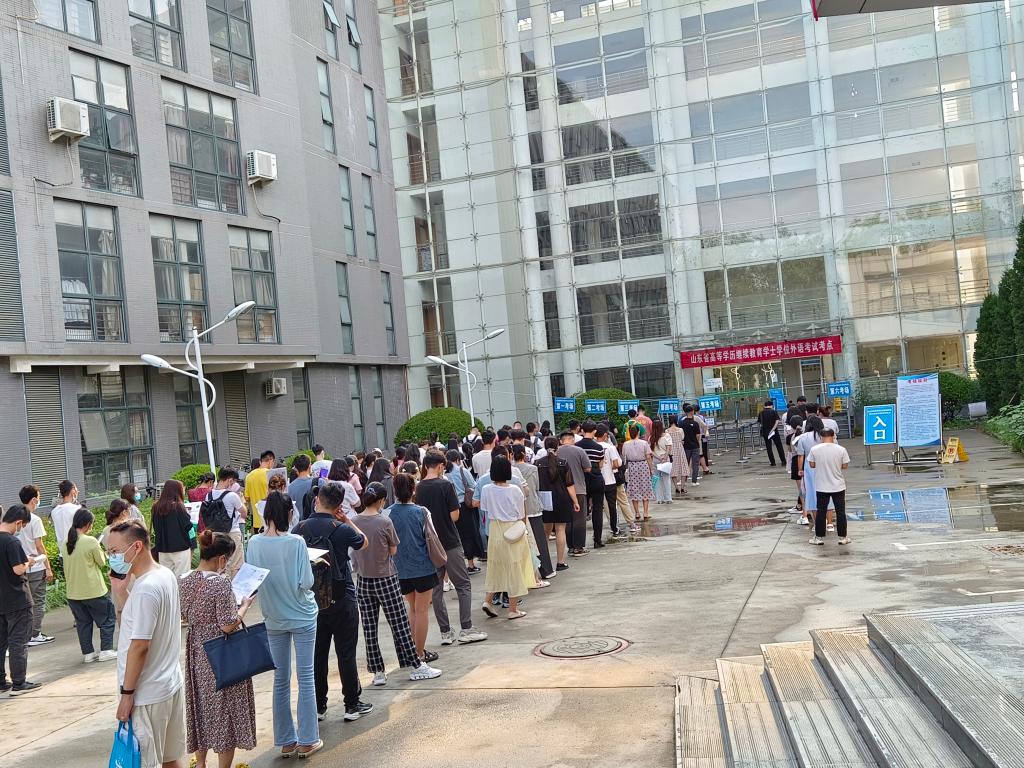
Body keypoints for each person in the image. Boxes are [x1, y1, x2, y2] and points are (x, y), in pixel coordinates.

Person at [245, 491, 322, 758]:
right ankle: (308, 739)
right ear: (289, 513)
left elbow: (253, 581)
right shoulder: (296, 542)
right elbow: (306, 582)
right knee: (306, 677)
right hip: (302, 615)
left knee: (280, 679)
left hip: (273, 617)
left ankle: (287, 740)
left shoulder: (254, 543)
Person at [292, 482, 372, 723]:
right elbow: (363, 542)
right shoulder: (342, 529)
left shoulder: (299, 528)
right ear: (339, 506)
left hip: (311, 600)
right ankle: (351, 704)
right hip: (342, 596)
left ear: (317, 500)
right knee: (346, 652)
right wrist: (346, 520)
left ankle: (319, 705)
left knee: (318, 654)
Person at [109, 519, 185, 768]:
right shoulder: (164, 575)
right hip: (168, 683)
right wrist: (122, 593)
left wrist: (127, 695)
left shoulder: (145, 589)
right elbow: (132, 628)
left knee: (145, 762)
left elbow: (139, 646)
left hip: (146, 694)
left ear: (137, 547)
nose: (112, 558)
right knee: (171, 759)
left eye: (115, 551)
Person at [180, 531, 256, 768]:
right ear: (222, 558)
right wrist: (244, 606)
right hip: (221, 650)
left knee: (201, 706)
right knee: (225, 709)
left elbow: (184, 614)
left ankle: (200, 763)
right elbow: (227, 624)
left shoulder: (183, 579)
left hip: (196, 648)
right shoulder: (221, 584)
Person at [354, 482, 442, 683]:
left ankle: (378, 672)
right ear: (381, 500)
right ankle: (416, 662)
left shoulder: (358, 520)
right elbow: (393, 549)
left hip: (364, 579)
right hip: (388, 576)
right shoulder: (386, 520)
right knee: (401, 623)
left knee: (369, 627)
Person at [417, 451, 488, 646]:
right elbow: (455, 515)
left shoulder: (419, 488)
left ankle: (445, 632)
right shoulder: (445, 485)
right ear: (441, 466)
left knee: (437, 589)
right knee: (463, 584)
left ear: (425, 466)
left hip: (430, 544)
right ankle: (466, 628)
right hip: (449, 541)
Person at [381, 473, 438, 660]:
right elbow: (432, 537)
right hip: (422, 566)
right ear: (413, 489)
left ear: (394, 490)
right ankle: (419, 654)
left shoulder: (387, 513)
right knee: (422, 611)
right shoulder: (422, 512)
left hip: (399, 568)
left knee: (412, 609)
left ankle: (412, 652)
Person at [479, 457, 531, 620]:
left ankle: (488, 601)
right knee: (514, 568)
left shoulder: (486, 489)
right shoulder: (515, 489)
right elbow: (521, 514)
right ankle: (513, 609)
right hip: (512, 529)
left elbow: (485, 509)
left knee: (496, 567)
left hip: (494, 529)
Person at [62, 507, 117, 663]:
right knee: (107, 619)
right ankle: (106, 650)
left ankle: (88, 653)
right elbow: (102, 562)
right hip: (94, 590)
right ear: (87, 524)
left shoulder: (66, 542)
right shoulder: (91, 541)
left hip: (73, 592)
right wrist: (105, 552)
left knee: (83, 624)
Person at [0, 504, 41, 694]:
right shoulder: (11, 542)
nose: (21, 529)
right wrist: (29, 562)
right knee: (18, 641)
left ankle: (1, 681)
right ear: (18, 522)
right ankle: (19, 683)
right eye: (22, 525)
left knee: (1, 642)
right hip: (17, 599)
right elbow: (18, 569)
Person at [16, 486, 54, 646]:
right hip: (36, 566)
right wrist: (48, 567)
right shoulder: (35, 519)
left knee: (25, 603)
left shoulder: (14, 517)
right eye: (38, 497)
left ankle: (25, 634)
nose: (39, 500)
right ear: (33, 500)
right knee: (38, 601)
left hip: (19, 566)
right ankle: (34, 634)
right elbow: (39, 546)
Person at [537, 437, 579, 571]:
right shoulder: (563, 463)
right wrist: (575, 501)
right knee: (560, 530)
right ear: (557, 447)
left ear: (544, 447)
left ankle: (544, 562)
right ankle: (560, 562)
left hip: (544, 499)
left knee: (545, 531)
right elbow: (569, 484)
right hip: (562, 499)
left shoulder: (538, 463)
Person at [514, 445, 554, 578]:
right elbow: (537, 487)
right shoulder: (532, 469)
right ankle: (546, 570)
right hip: (533, 507)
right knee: (539, 541)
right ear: (523, 454)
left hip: (518, 510)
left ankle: (528, 573)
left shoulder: (511, 470)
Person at [807, 429, 851, 546]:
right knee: (840, 511)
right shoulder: (841, 449)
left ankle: (818, 537)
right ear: (833, 436)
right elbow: (845, 466)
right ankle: (843, 537)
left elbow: (812, 464)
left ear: (821, 436)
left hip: (821, 485)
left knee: (821, 512)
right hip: (838, 485)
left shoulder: (814, 449)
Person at [445, 449, 484, 574]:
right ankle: (471, 564)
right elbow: (473, 486)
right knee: (468, 536)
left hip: (450, 508)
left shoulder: (445, 473)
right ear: (458, 459)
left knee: (457, 536)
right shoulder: (462, 471)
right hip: (465, 506)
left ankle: (459, 565)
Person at [203, 468, 247, 578]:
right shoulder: (232, 495)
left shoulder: (209, 495)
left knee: (220, 564)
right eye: (234, 481)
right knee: (235, 564)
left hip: (216, 534)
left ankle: (222, 586)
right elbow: (244, 513)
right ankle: (233, 587)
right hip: (232, 533)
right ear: (230, 480)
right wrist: (241, 500)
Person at [556, 432, 591, 556]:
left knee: (567, 519)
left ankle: (570, 547)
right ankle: (578, 547)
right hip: (578, 488)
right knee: (579, 519)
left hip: (561, 490)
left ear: (561, 441)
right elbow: (588, 468)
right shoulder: (579, 451)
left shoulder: (556, 452)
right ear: (572, 440)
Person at [152, 479, 194, 578]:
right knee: (182, 578)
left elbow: (155, 527)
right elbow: (188, 526)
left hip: (163, 549)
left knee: (167, 579)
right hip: (180, 548)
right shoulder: (178, 506)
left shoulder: (156, 507)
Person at [102, 499, 133, 618]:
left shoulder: (106, 530)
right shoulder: (128, 528)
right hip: (130, 569)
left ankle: (122, 629)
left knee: (120, 607)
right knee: (133, 604)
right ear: (124, 512)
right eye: (129, 510)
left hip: (115, 569)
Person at [795, 415, 825, 528]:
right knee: (826, 492)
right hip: (824, 466)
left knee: (812, 494)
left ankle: (818, 523)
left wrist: (800, 470)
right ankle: (828, 522)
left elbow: (800, 456)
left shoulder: (803, 437)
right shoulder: (825, 435)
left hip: (809, 468)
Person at [596, 425, 624, 539]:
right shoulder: (610, 447)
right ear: (605, 435)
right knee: (612, 506)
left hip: (597, 480)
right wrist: (610, 468)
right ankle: (614, 528)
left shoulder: (593, 446)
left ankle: (597, 533)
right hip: (610, 480)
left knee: (598, 507)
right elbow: (617, 463)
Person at [623, 424, 654, 524]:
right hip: (643, 465)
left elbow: (624, 458)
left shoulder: (625, 444)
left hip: (632, 466)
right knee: (645, 487)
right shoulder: (644, 443)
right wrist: (651, 469)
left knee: (634, 488)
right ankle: (645, 512)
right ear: (638, 432)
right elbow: (648, 456)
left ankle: (637, 512)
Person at [243, 450, 275, 532]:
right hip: (271, 520)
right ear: (271, 461)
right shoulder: (272, 474)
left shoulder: (249, 476)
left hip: (257, 521)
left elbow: (247, 498)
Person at [50, 480, 79, 561]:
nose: (77, 492)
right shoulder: (77, 509)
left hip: (62, 554)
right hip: (76, 553)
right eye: (76, 489)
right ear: (72, 490)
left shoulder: (54, 511)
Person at [650, 419, 673, 505]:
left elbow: (651, 451)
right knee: (666, 479)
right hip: (665, 459)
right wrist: (665, 458)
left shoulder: (651, 438)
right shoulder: (667, 436)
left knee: (656, 479)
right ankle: (668, 498)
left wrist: (658, 458)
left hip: (656, 460)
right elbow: (669, 448)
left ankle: (659, 498)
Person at [681, 406, 703, 487]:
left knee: (685, 464)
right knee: (695, 464)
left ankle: (684, 480)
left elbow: (681, 435)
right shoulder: (695, 423)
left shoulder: (681, 423)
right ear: (692, 411)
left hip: (686, 446)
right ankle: (694, 481)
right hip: (695, 446)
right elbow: (698, 435)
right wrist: (696, 442)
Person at [759, 401, 785, 468]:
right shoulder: (774, 412)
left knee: (768, 447)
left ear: (765, 405)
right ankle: (783, 461)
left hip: (765, 432)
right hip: (774, 432)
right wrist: (773, 429)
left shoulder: (761, 413)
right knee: (779, 446)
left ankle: (772, 462)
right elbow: (777, 421)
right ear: (771, 405)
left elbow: (760, 422)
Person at [288, 454, 315, 519]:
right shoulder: (319, 482)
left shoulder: (290, 487)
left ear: (296, 468)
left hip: (299, 523)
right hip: (316, 522)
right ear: (309, 466)